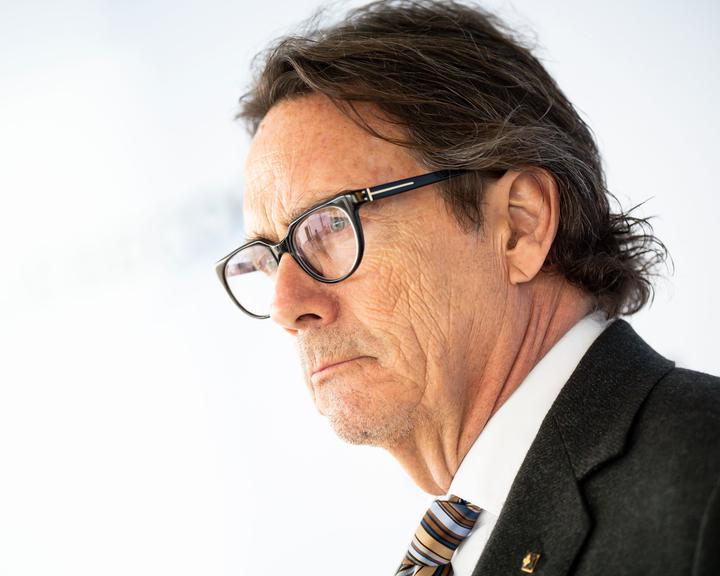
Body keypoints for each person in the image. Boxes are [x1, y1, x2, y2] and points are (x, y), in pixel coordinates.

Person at [214, 1, 720, 574]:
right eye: (267, 258)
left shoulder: (705, 489)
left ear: (520, 226)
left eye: (331, 224)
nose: (285, 305)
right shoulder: (471, 533)